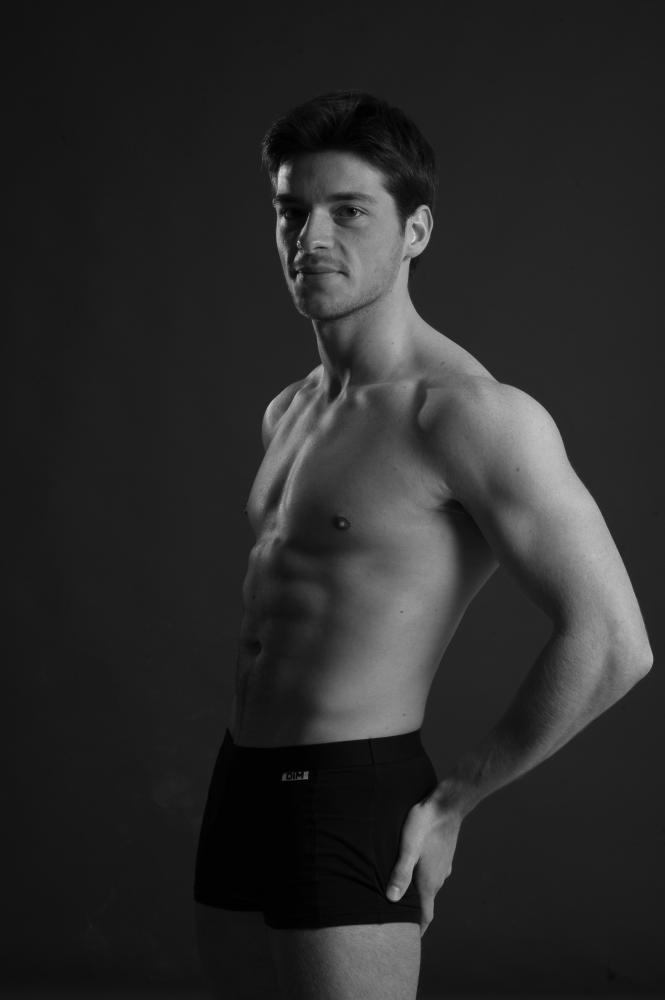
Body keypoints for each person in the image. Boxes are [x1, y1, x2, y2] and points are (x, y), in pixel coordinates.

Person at [192, 91, 653, 1000]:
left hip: (348, 791)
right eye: (292, 211)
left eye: (348, 211)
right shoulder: (290, 410)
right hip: (239, 778)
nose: (310, 238)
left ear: (415, 231)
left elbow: (611, 642)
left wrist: (454, 801)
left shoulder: (469, 415)